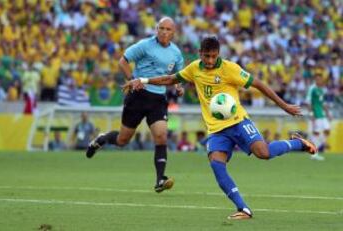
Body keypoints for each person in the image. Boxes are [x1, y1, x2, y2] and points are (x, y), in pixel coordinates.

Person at [123, 36, 317, 220]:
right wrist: (144, 80)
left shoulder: (229, 69)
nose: (209, 60)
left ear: (218, 54)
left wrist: (284, 106)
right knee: (217, 164)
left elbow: (258, 84)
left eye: (213, 56)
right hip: (216, 130)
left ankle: (297, 143)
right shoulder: (194, 69)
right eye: (206, 56)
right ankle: (243, 209)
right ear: (200, 53)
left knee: (263, 153)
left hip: (238, 122)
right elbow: (170, 79)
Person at [86, 17, 185, 193]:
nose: (163, 32)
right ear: (156, 29)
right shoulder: (145, 45)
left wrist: (178, 87)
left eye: (168, 29)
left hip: (158, 99)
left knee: (161, 136)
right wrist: (132, 80)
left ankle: (160, 179)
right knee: (122, 140)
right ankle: (102, 139)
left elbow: (177, 75)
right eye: (161, 28)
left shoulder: (176, 53)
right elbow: (122, 61)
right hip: (138, 96)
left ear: (173, 32)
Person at [306, 73, 331, 161]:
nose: (319, 81)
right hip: (316, 115)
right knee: (316, 133)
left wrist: (328, 113)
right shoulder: (312, 89)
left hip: (322, 114)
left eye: (320, 79)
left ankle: (315, 146)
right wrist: (311, 114)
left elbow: (323, 103)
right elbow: (308, 102)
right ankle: (314, 154)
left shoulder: (322, 90)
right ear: (315, 80)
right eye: (317, 79)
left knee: (327, 131)